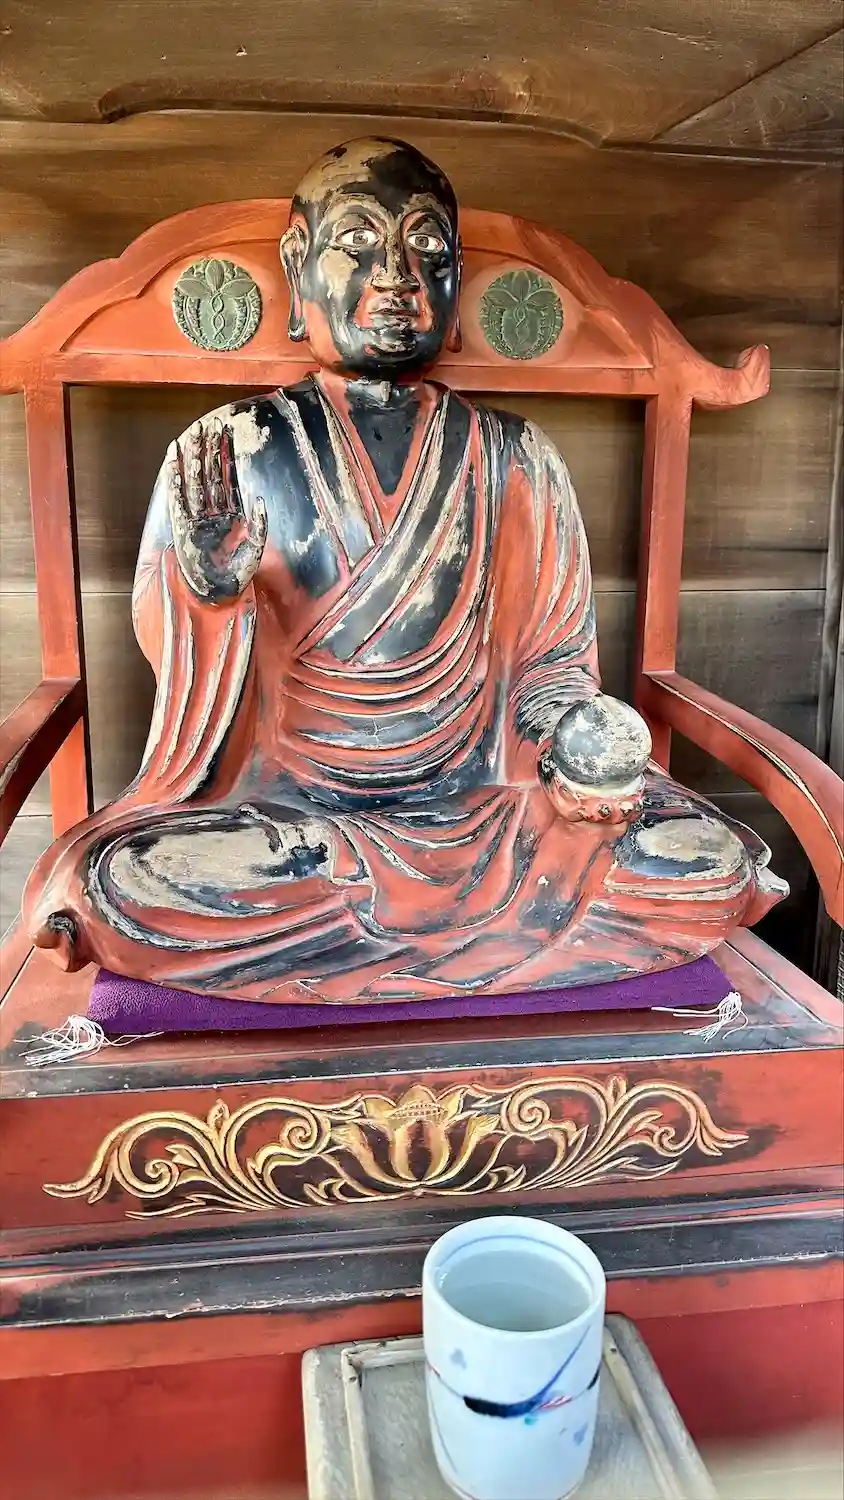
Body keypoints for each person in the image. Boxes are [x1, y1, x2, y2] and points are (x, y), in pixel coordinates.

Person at [23, 137, 786, 1005]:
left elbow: (551, 669)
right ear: (298, 270)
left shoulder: (516, 457)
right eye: (356, 241)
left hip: (491, 817)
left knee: (703, 857)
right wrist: (212, 600)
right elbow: (188, 701)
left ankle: (358, 960)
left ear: (454, 285)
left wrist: (580, 747)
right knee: (128, 879)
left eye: (427, 246)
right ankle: (501, 947)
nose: (395, 275)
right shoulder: (227, 450)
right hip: (302, 826)